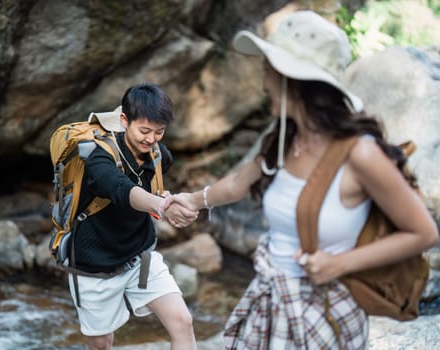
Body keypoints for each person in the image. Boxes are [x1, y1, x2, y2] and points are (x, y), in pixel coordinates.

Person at [169, 11, 439, 349]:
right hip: (271, 300)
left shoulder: (360, 154)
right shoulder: (287, 137)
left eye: (268, 65)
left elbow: (423, 232)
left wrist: (338, 263)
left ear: (290, 77)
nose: (262, 75)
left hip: (322, 315)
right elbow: (240, 182)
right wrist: (193, 201)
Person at [71, 82, 198, 350]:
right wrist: (162, 206)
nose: (151, 139)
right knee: (101, 344)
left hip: (139, 256)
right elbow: (123, 191)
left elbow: (153, 190)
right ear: (124, 121)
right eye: (144, 130)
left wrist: (167, 200)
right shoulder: (97, 157)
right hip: (94, 264)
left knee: (182, 322)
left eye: (159, 132)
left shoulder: (159, 156)